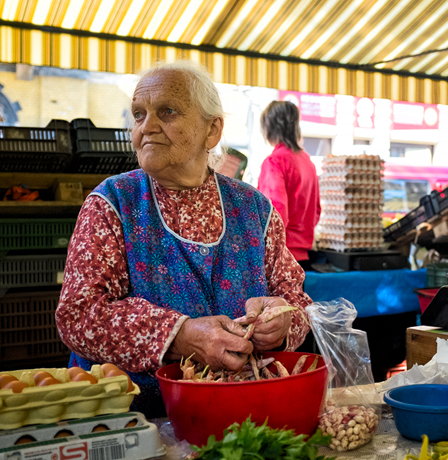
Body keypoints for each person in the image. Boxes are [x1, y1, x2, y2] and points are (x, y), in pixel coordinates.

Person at [55, 61, 312, 417]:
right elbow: (78, 316)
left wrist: (282, 324)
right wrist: (178, 336)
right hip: (133, 420)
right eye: (139, 114)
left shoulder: (254, 209)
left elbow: (295, 298)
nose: (147, 127)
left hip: (239, 414)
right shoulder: (113, 203)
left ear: (212, 131)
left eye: (168, 112)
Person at [258, 101, 321, 270]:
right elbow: (315, 212)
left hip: (281, 260)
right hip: (303, 259)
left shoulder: (274, 162)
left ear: (269, 128)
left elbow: (275, 214)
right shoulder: (308, 162)